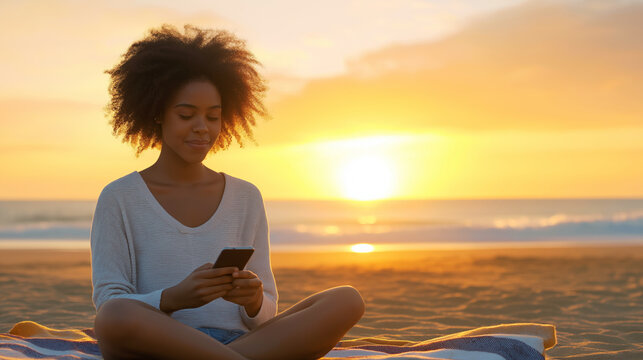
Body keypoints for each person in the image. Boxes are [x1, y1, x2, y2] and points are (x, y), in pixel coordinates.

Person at [90, 24, 365, 360]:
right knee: (113, 315)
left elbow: (266, 313)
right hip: (160, 345)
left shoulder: (245, 197)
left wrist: (252, 301)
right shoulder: (119, 197)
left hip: (240, 345)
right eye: (186, 115)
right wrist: (173, 298)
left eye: (213, 116)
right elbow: (109, 299)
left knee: (346, 299)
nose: (202, 128)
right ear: (156, 114)